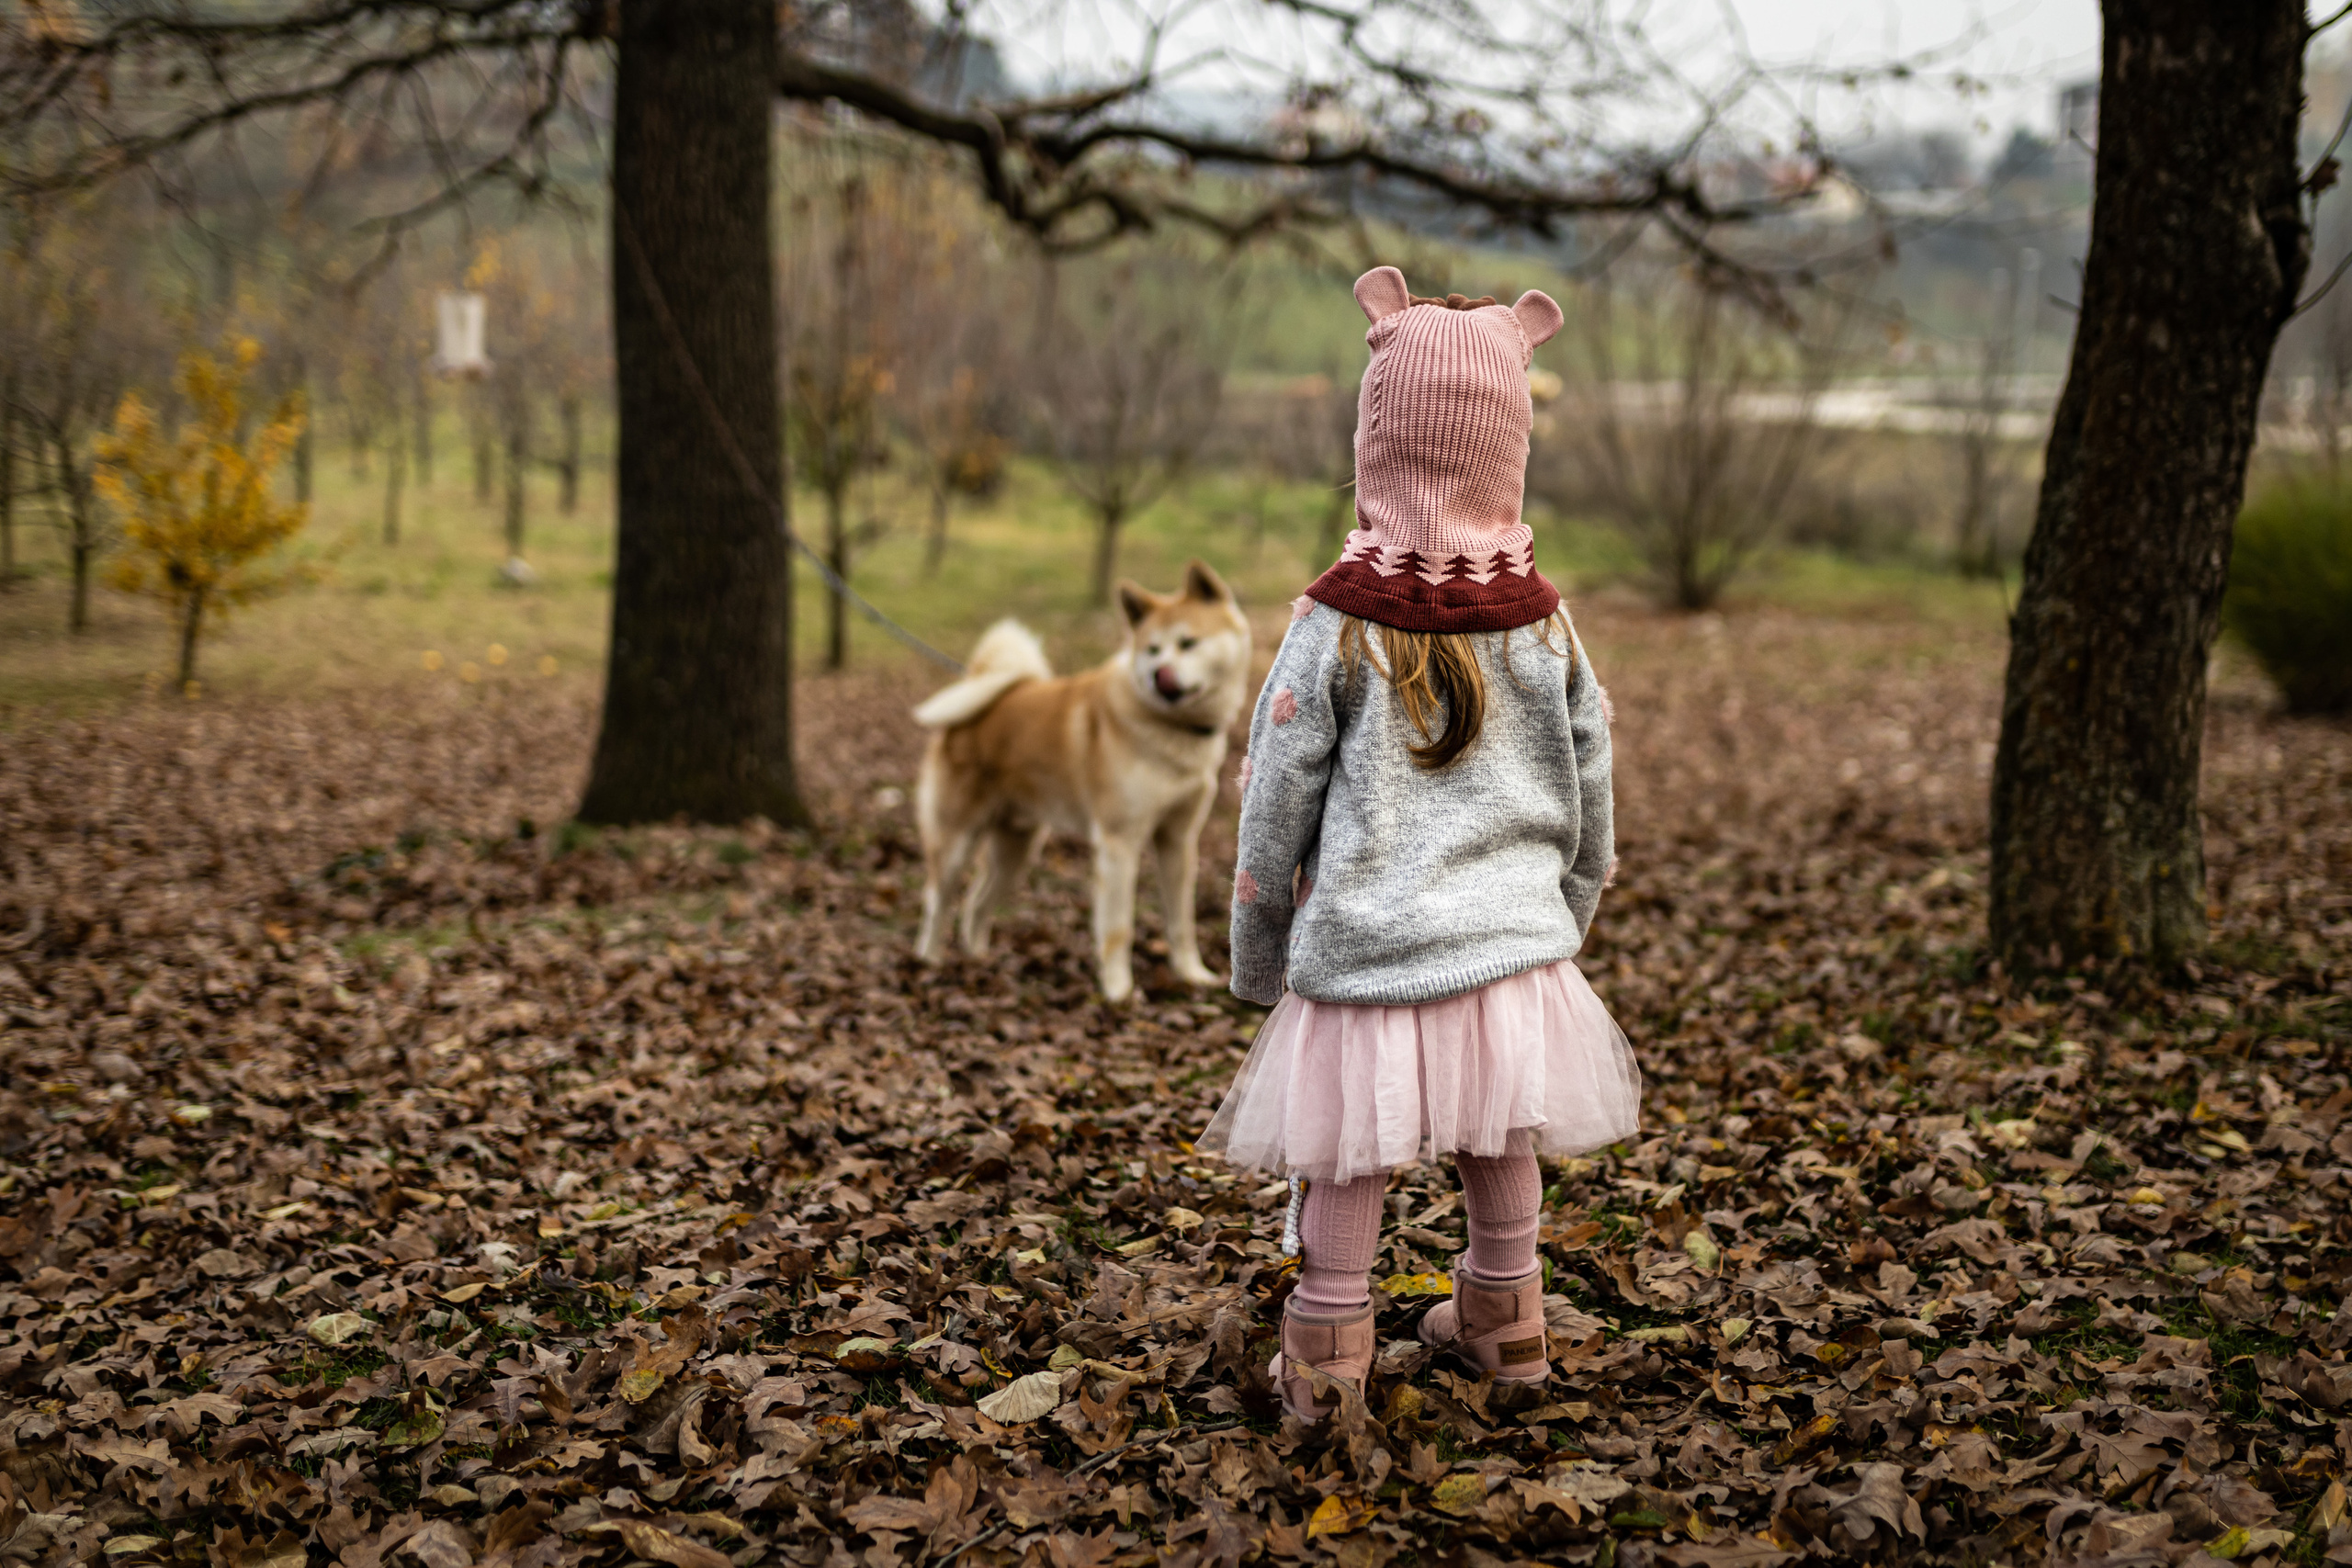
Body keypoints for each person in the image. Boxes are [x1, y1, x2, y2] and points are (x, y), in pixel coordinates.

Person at [1199, 265, 1642, 1422]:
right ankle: (1507, 1325)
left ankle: (1327, 1362)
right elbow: (1593, 789)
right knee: (1502, 1125)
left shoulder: (1333, 627)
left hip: (1364, 953)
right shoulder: (1546, 626)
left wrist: (1258, 955)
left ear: (1375, 440)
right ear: (1511, 448)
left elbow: (1270, 810)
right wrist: (1568, 914)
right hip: (1510, 948)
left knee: (1347, 1150)